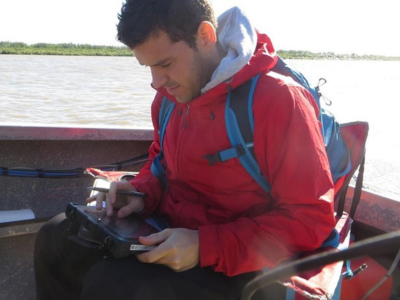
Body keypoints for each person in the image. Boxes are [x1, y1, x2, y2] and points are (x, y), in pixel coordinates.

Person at [34, 0, 336, 299]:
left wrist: (205, 246)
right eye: (148, 66)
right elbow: (161, 162)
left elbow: (310, 220)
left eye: (164, 64)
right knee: (56, 237)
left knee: (113, 285)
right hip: (175, 234)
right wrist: (138, 194)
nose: (156, 82)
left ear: (205, 36)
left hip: (249, 262)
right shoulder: (169, 97)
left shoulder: (280, 100)